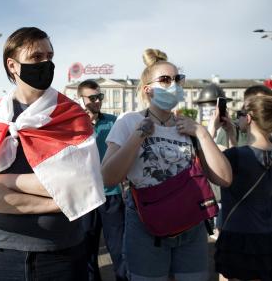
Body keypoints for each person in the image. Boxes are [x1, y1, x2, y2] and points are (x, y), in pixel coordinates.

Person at [0, 27, 105, 281]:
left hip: (60, 255)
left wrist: (3, 182)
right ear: (13, 66)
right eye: (37, 57)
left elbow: (82, 184)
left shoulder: (71, 116)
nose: (46, 62)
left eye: (49, 55)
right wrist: (58, 201)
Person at [101, 48, 232, 281]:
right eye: (165, 80)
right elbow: (108, 177)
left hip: (192, 223)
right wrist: (138, 135)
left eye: (177, 79)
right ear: (147, 89)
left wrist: (202, 133)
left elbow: (224, 178)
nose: (174, 85)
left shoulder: (189, 126)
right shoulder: (129, 121)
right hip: (146, 226)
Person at [214, 94, 272, 280]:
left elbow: (214, 164)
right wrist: (232, 136)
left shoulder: (236, 156)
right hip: (266, 236)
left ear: (248, 118)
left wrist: (209, 129)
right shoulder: (240, 155)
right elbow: (245, 171)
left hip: (238, 237)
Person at [78, 80, 127, 281]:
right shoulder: (73, 124)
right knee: (86, 252)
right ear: (81, 99)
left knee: (119, 249)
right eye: (92, 98)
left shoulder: (113, 121)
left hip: (111, 194)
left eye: (100, 97)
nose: (97, 101)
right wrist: (82, 124)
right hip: (85, 196)